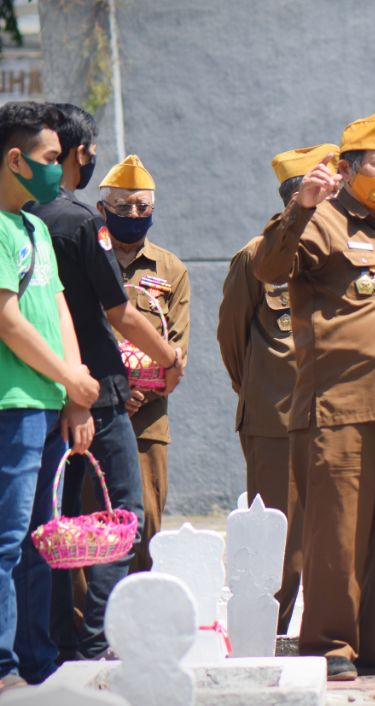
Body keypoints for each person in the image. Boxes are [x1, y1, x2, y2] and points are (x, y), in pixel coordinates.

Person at [251, 112, 375, 681]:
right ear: (348, 168)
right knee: (336, 531)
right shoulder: (320, 221)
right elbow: (269, 267)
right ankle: (330, 643)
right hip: (339, 405)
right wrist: (301, 205)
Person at [29, 106, 182, 662]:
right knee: (123, 516)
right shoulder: (76, 220)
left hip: (42, 388)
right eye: (89, 151)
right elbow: (119, 312)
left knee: (50, 521)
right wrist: (169, 355)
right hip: (98, 387)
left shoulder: (24, 218)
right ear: (78, 153)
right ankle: (96, 638)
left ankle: (53, 640)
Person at [217, 144, 336, 635]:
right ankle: (272, 628)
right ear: (296, 198)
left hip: (334, 410)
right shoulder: (255, 255)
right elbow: (232, 334)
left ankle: (332, 629)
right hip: (275, 415)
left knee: (333, 528)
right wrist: (263, 391)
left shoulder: (340, 252)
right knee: (278, 531)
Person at [0, 101, 99, 688]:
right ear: (15, 159)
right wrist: (69, 377)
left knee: (41, 543)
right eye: (48, 160)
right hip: (10, 405)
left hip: (45, 402)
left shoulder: (34, 226)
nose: (57, 171)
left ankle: (38, 661)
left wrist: (76, 389)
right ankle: (5, 665)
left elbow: (58, 305)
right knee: (8, 542)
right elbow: (8, 322)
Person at [96, 155, 189, 574]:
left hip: (147, 421)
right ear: (102, 210)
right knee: (93, 523)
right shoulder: (85, 259)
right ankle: (88, 631)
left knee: (145, 524)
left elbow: (177, 346)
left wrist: (141, 391)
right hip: (92, 414)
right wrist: (112, 388)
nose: (134, 214)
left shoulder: (171, 269)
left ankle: (138, 621)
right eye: (123, 206)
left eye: (143, 207)